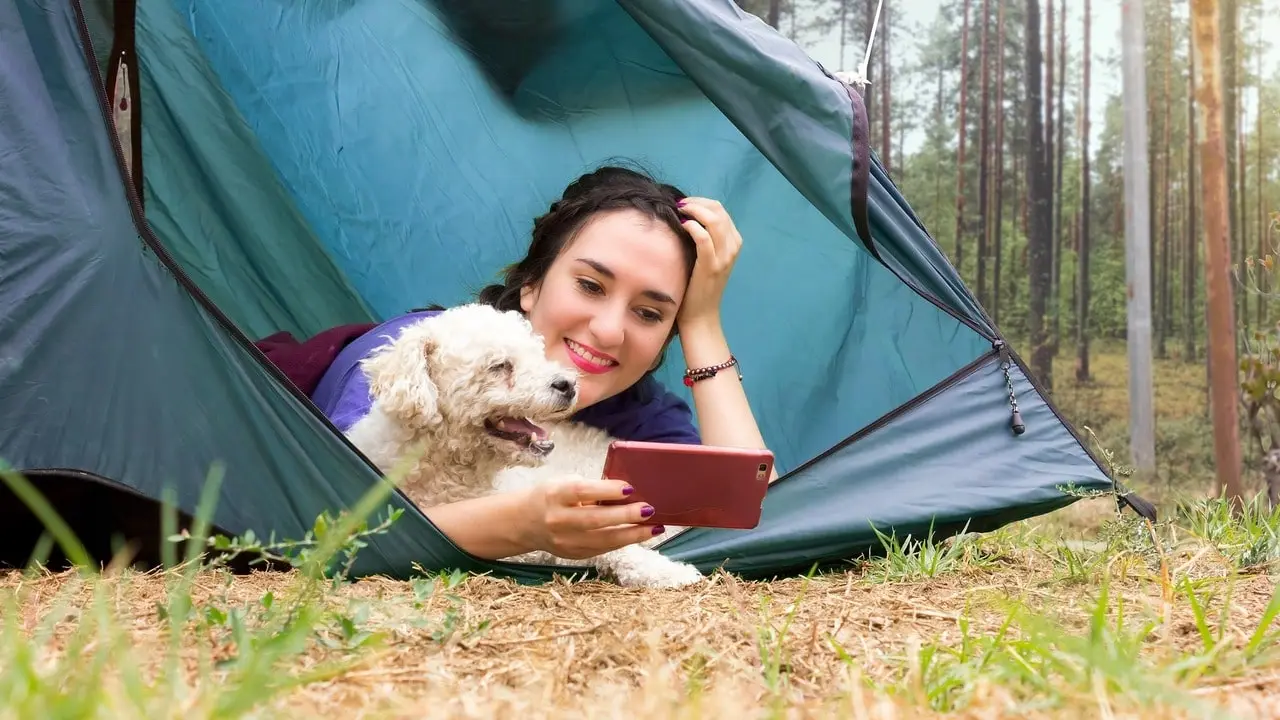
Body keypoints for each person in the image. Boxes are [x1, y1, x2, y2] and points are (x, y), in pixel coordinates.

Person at [311, 164, 772, 562]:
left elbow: (755, 515)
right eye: (590, 285)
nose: (610, 330)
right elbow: (330, 523)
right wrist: (521, 523)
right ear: (530, 283)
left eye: (651, 313)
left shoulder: (639, 414)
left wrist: (703, 323)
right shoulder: (428, 356)